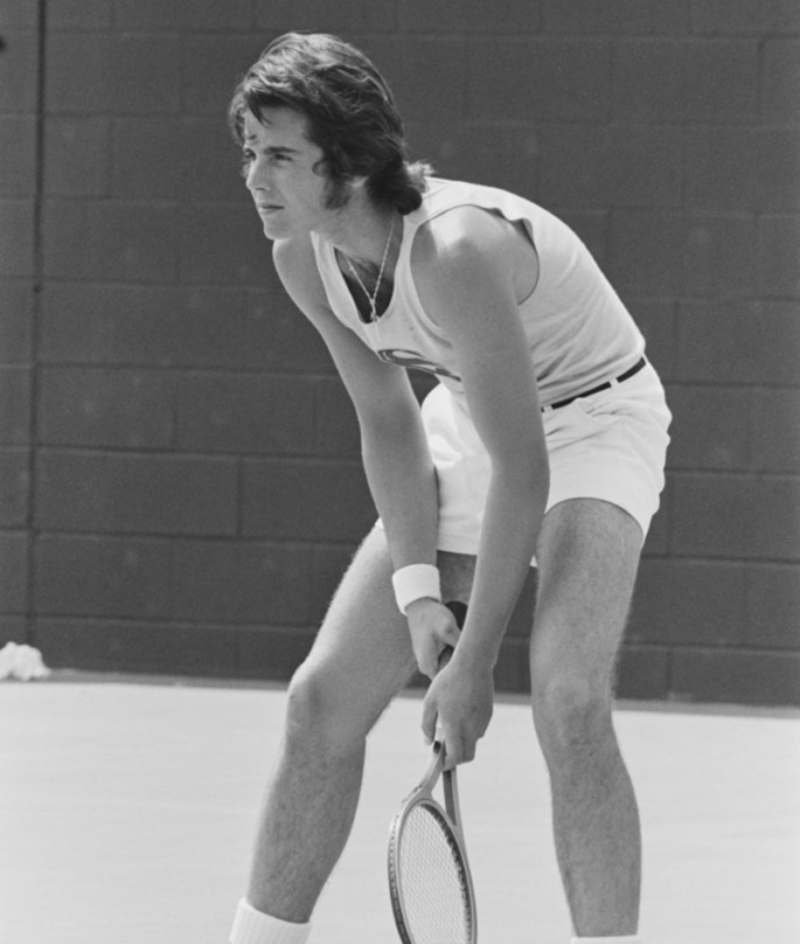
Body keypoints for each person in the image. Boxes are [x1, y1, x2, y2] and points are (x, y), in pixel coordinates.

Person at [226, 32, 671, 944]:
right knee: (319, 701)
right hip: (474, 409)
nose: (255, 176)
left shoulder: (457, 250)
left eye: (279, 155)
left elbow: (528, 466)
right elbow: (390, 421)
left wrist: (472, 668)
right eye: (249, 152)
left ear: (345, 161)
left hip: (594, 420)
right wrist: (420, 592)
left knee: (570, 699)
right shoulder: (304, 256)